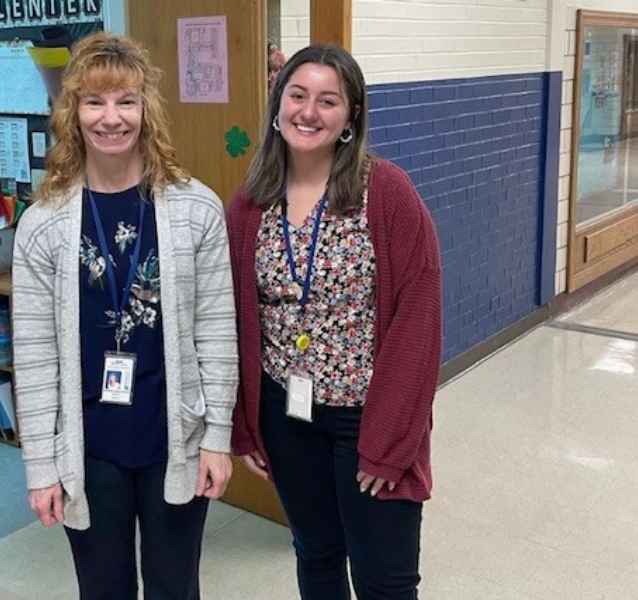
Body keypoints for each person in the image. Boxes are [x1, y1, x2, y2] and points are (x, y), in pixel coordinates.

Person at [12, 31, 238, 600]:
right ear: (72, 113)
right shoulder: (42, 224)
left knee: (174, 587)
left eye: (126, 101)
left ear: (147, 111)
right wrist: (41, 466)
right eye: (94, 101)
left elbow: (215, 330)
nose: (111, 118)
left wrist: (217, 438)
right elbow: (35, 354)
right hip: (88, 448)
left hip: (174, 439)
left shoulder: (196, 208)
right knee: (103, 590)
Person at [226, 44, 442, 600]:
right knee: (317, 556)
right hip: (286, 414)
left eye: (329, 100)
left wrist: (390, 443)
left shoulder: (387, 194)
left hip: (368, 420)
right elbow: (232, 320)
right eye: (297, 95)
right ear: (278, 107)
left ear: (350, 118)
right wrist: (244, 422)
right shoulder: (250, 205)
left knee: (384, 580)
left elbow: (418, 323)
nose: (309, 111)